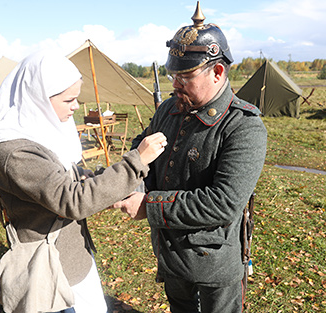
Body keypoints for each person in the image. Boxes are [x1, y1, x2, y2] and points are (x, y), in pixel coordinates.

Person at [0, 50, 167, 313]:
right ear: (39, 100)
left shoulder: (40, 132)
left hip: (72, 257)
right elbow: (72, 201)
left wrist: (92, 178)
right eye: (69, 99)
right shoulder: (16, 152)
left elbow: (62, 179)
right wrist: (137, 161)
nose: (76, 106)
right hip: (51, 267)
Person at [111, 3, 267, 313]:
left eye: (185, 76)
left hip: (213, 268)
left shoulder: (244, 126)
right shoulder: (169, 109)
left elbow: (223, 203)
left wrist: (148, 206)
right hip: (169, 256)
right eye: (173, 75)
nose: (175, 83)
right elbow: (143, 149)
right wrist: (137, 180)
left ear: (218, 72)